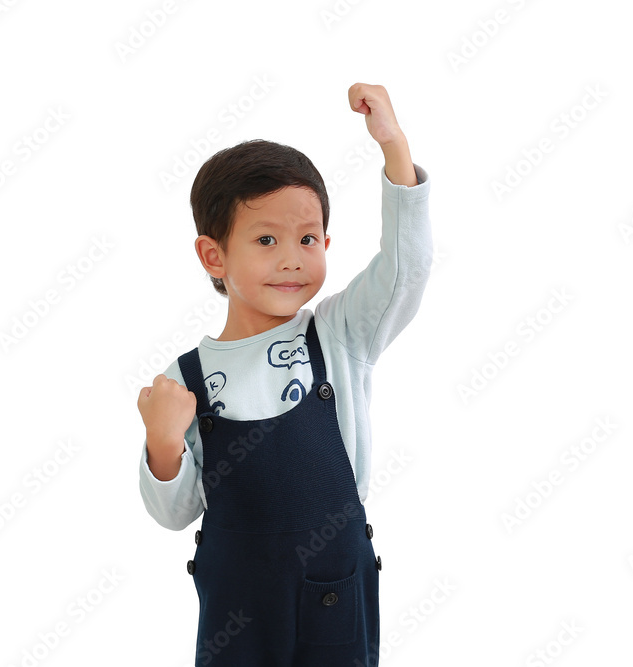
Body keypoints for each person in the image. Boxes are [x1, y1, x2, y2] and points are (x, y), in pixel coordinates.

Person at [136, 82, 432, 666]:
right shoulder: (186, 381)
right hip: (237, 611)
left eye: (306, 239)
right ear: (213, 255)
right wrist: (163, 442)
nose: (292, 257)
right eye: (266, 239)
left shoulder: (339, 333)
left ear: (326, 241)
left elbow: (407, 267)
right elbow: (173, 513)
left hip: (334, 592)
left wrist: (393, 146)